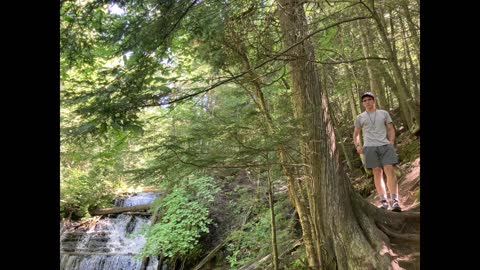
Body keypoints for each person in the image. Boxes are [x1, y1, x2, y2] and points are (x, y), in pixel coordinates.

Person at [353, 92, 401, 212]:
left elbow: (390, 128)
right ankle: (384, 202)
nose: (367, 102)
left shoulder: (383, 113)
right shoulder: (360, 117)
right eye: (364, 101)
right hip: (369, 147)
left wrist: (391, 141)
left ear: (374, 100)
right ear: (363, 103)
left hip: (385, 145)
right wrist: (358, 145)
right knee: (377, 173)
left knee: (389, 170)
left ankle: (395, 201)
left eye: (369, 99)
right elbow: (356, 134)